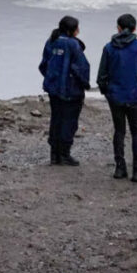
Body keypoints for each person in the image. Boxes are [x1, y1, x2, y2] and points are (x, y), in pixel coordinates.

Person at [97, 13, 137, 183]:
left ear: (119, 28)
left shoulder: (109, 48)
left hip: (116, 97)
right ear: (135, 29)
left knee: (119, 131)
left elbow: (101, 76)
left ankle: (120, 168)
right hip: (134, 96)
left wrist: (107, 93)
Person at [39, 15, 90, 167]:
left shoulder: (51, 41)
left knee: (56, 120)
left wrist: (51, 79)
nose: (78, 30)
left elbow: (43, 65)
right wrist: (84, 84)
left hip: (54, 90)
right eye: (77, 28)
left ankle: (54, 155)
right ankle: (64, 154)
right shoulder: (73, 45)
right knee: (69, 122)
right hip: (70, 91)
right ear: (71, 30)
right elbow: (81, 67)